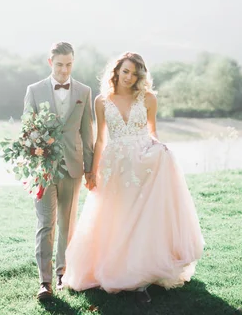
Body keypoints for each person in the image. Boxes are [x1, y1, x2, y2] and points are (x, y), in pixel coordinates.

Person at [63, 52, 204, 303]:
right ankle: (116, 268)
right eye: (125, 71)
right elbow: (100, 139)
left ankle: (140, 280)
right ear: (116, 71)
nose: (129, 77)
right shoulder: (102, 101)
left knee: (141, 219)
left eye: (135, 74)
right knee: (118, 217)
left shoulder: (148, 98)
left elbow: (153, 132)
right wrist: (92, 172)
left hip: (144, 163)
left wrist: (161, 149)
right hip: (115, 166)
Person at [23, 42, 95, 300]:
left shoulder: (84, 91)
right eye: (59, 64)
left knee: (67, 223)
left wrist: (89, 168)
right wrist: (33, 160)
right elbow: (27, 131)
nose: (64, 70)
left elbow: (87, 132)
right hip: (43, 169)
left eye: (69, 65)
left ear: (73, 63)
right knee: (45, 224)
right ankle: (45, 282)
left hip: (74, 165)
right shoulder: (34, 90)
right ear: (50, 62)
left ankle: (63, 274)